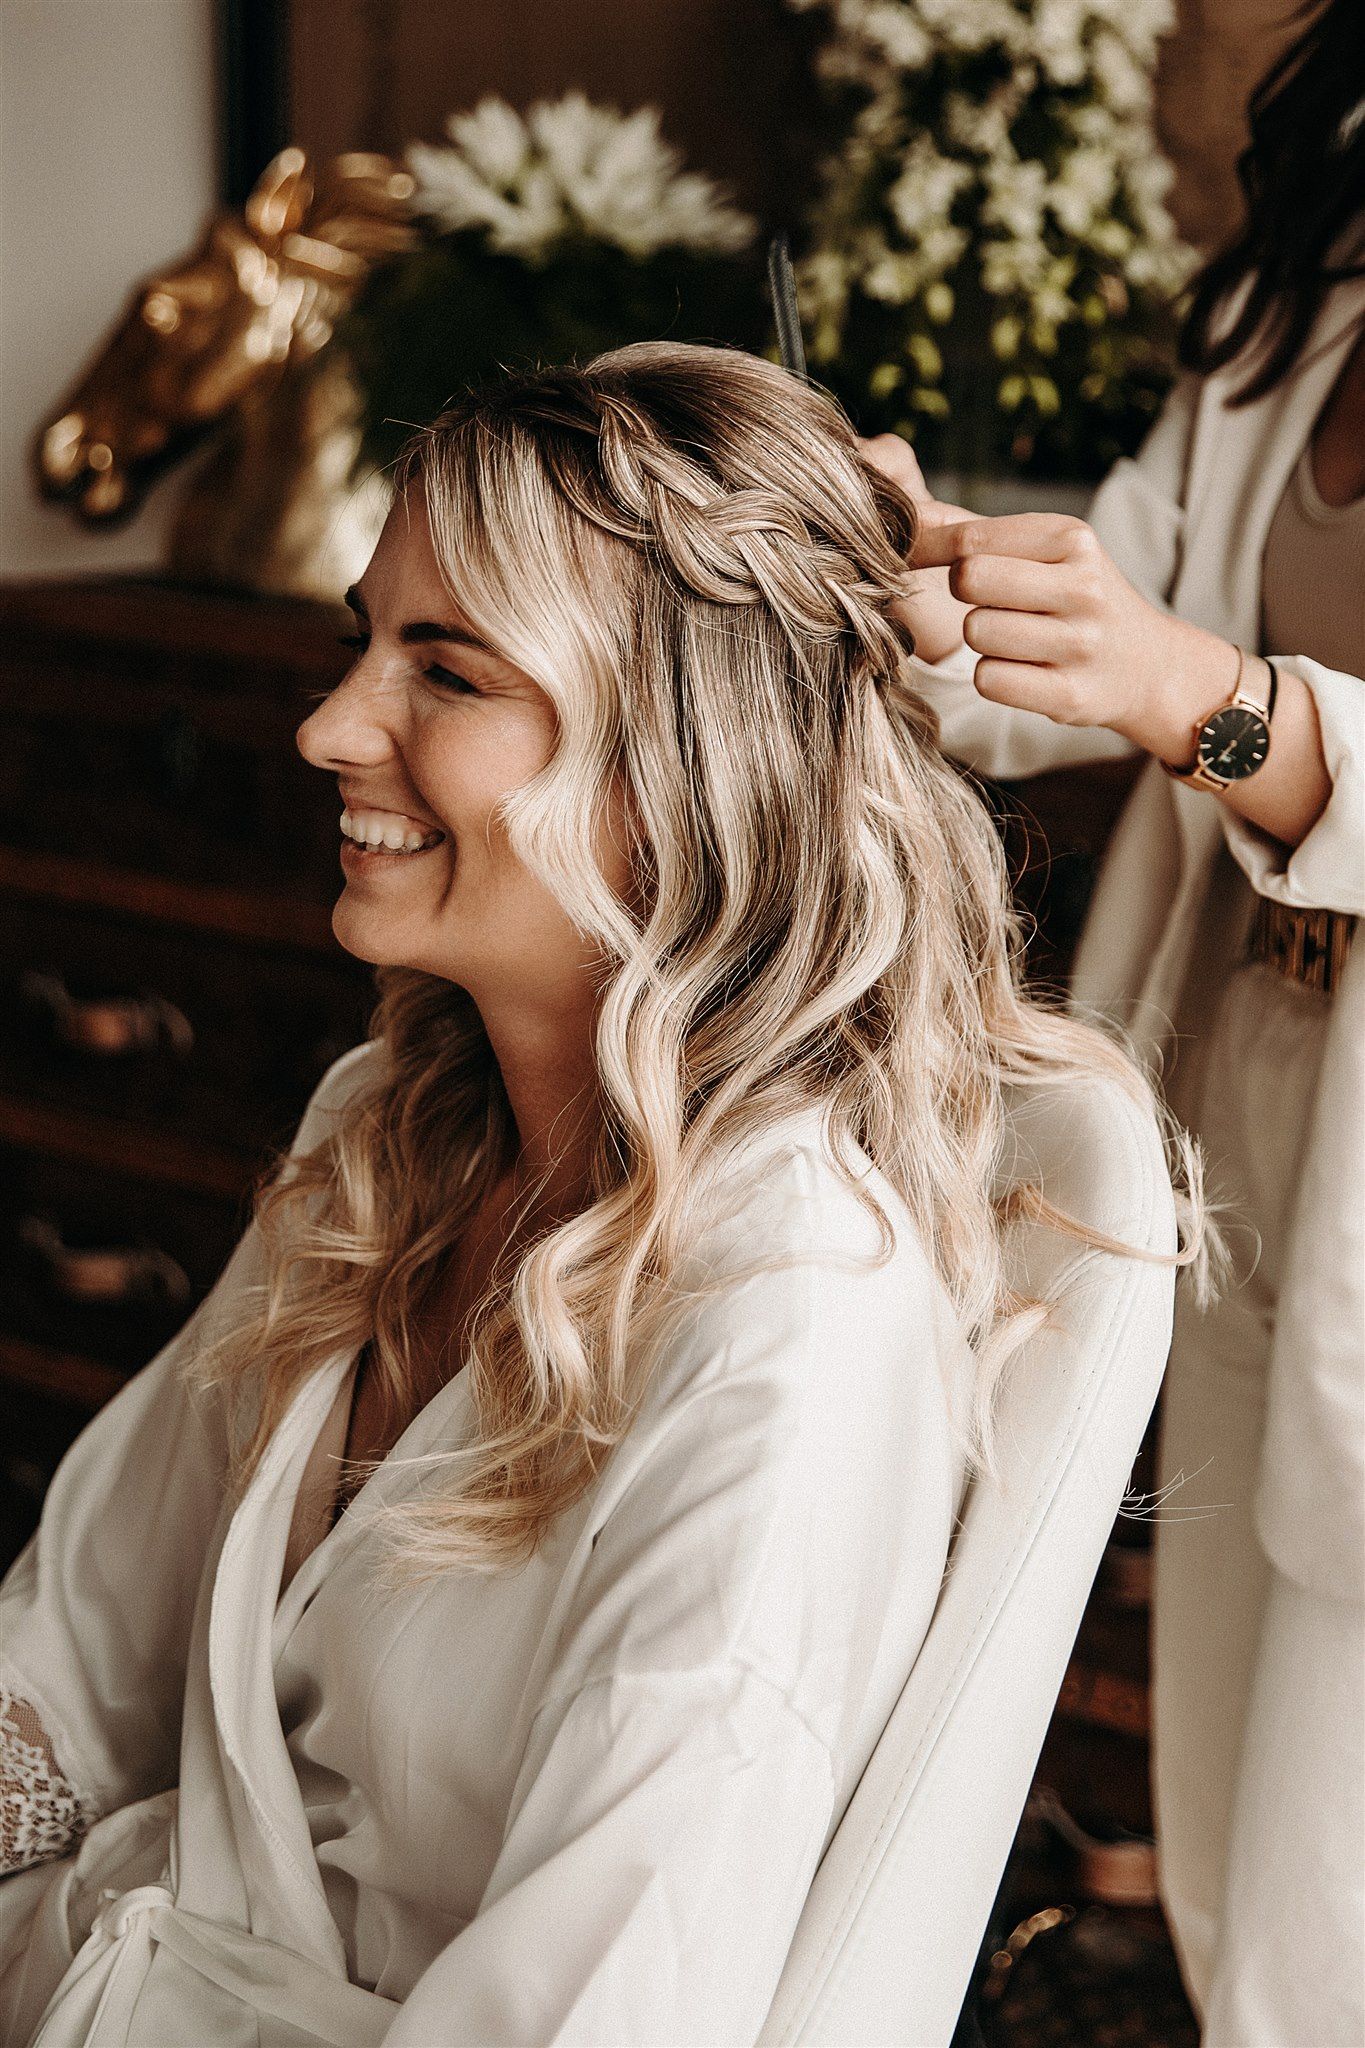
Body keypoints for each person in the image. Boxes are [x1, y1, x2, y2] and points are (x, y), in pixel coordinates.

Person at [0, 344, 1187, 2046]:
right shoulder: (391, 1132)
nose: (331, 725)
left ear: (684, 758)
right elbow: (75, 1645)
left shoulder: (792, 1321)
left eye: (448, 669)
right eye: (360, 640)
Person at [868, 6, 1365, 2040]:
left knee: (1334, 1849)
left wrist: (1223, 705)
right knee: (1230, 1797)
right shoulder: (1295, 317)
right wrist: (909, 571)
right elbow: (1091, 639)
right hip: (1235, 1093)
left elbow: (1181, 679)